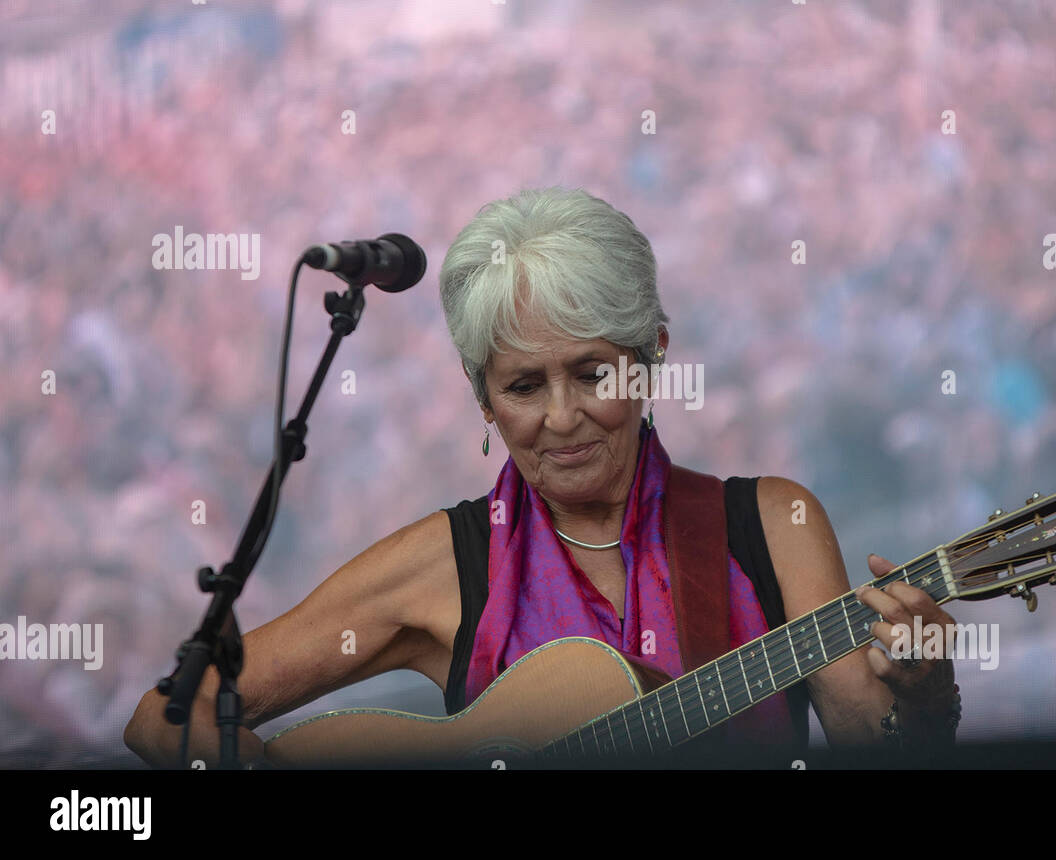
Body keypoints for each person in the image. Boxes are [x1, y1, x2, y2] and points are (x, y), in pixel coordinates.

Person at [124, 186, 960, 768]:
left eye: (593, 374)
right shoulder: (445, 566)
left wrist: (921, 691)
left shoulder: (774, 526)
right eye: (523, 386)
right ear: (481, 398)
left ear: (652, 356)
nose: (560, 418)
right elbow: (164, 719)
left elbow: (874, 747)